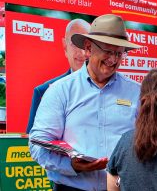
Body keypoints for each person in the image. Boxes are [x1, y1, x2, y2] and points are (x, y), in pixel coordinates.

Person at [29, 14, 142, 191]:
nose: (113, 60)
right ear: (88, 48)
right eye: (108, 51)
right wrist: (72, 166)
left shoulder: (136, 92)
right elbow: (38, 145)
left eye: (119, 53)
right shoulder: (60, 90)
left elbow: (149, 139)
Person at [26, 18, 90, 133]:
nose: (82, 53)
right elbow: (31, 142)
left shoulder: (107, 89)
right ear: (65, 46)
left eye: (87, 46)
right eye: (75, 44)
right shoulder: (44, 91)